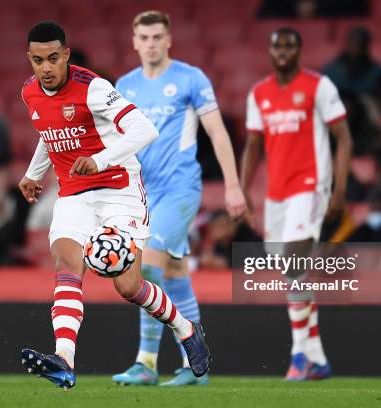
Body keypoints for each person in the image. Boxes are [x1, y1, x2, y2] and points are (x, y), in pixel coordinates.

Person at [17, 21, 210, 390]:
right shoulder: (29, 93)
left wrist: (101, 159)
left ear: (66, 55)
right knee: (67, 263)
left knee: (129, 286)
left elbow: (144, 130)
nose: (46, 67)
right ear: (29, 59)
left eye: (53, 58)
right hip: (73, 193)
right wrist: (33, 173)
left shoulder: (94, 88)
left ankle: (186, 329)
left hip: (118, 189)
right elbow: (49, 133)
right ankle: (64, 359)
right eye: (38, 60)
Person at [111, 10, 247, 387]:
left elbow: (218, 133)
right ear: (134, 42)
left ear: (169, 39)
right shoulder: (124, 85)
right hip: (143, 195)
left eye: (158, 37)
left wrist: (233, 185)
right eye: (145, 37)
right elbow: (117, 143)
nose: (151, 44)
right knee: (174, 275)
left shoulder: (191, 79)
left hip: (180, 190)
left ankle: (146, 362)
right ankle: (195, 366)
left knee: (146, 270)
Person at [240, 28, 352, 381]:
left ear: (299, 50)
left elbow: (344, 136)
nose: (283, 51)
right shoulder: (259, 93)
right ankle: (318, 358)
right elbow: (254, 146)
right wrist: (241, 191)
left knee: (292, 260)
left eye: (290, 45)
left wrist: (339, 189)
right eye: (278, 46)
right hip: (277, 193)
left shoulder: (319, 86)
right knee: (294, 270)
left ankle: (299, 354)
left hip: (311, 184)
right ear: (270, 51)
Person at [322, 26, 381, 96]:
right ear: (347, 42)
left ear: (367, 44)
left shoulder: (378, 73)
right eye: (353, 40)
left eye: (361, 41)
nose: (356, 44)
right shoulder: (331, 71)